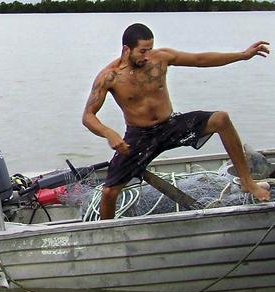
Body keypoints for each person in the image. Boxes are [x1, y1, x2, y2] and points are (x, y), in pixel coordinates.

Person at [82, 23, 271, 220]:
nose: (147, 55)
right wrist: (109, 133)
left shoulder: (161, 58)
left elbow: (200, 59)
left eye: (150, 49)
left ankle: (247, 182)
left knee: (220, 119)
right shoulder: (109, 77)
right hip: (139, 136)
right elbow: (88, 116)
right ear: (126, 49)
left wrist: (242, 55)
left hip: (170, 125)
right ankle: (107, 232)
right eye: (142, 51)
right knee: (109, 192)